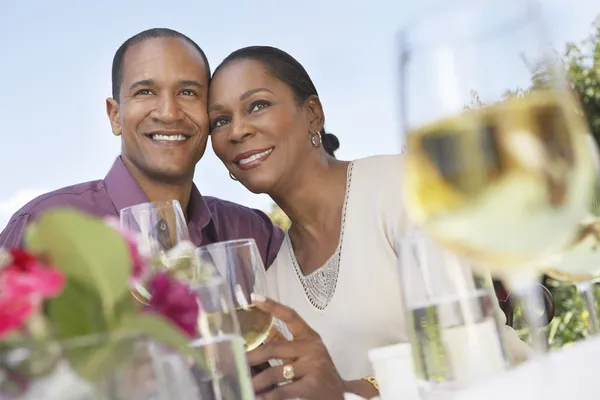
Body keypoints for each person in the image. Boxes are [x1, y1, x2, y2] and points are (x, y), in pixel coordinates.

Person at [207, 45, 532, 399]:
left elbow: (475, 346)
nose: (237, 130)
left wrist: (350, 391)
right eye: (220, 121)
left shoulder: (405, 186)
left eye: (257, 105)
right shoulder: (272, 284)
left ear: (313, 114)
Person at [0, 29, 284, 269]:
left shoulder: (252, 234)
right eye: (145, 92)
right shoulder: (43, 227)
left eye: (188, 92)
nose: (169, 113)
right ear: (115, 115)